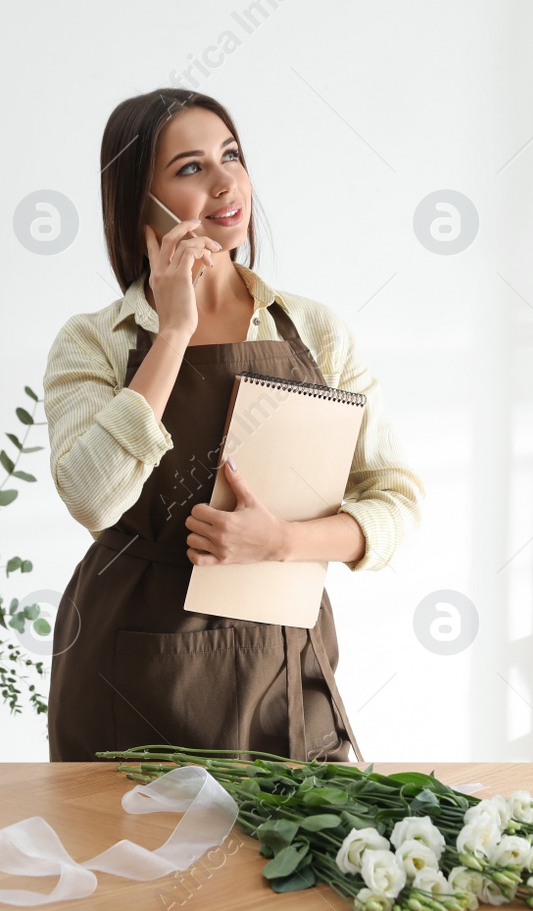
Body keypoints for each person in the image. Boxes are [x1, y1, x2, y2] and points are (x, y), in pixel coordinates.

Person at [40, 87, 424, 763]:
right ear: (139, 201)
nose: (225, 182)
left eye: (232, 156)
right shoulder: (95, 340)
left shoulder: (316, 330)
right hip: (131, 671)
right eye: (190, 167)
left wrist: (282, 540)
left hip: (283, 660)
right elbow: (91, 497)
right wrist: (174, 331)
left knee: (296, 864)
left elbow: (395, 499)